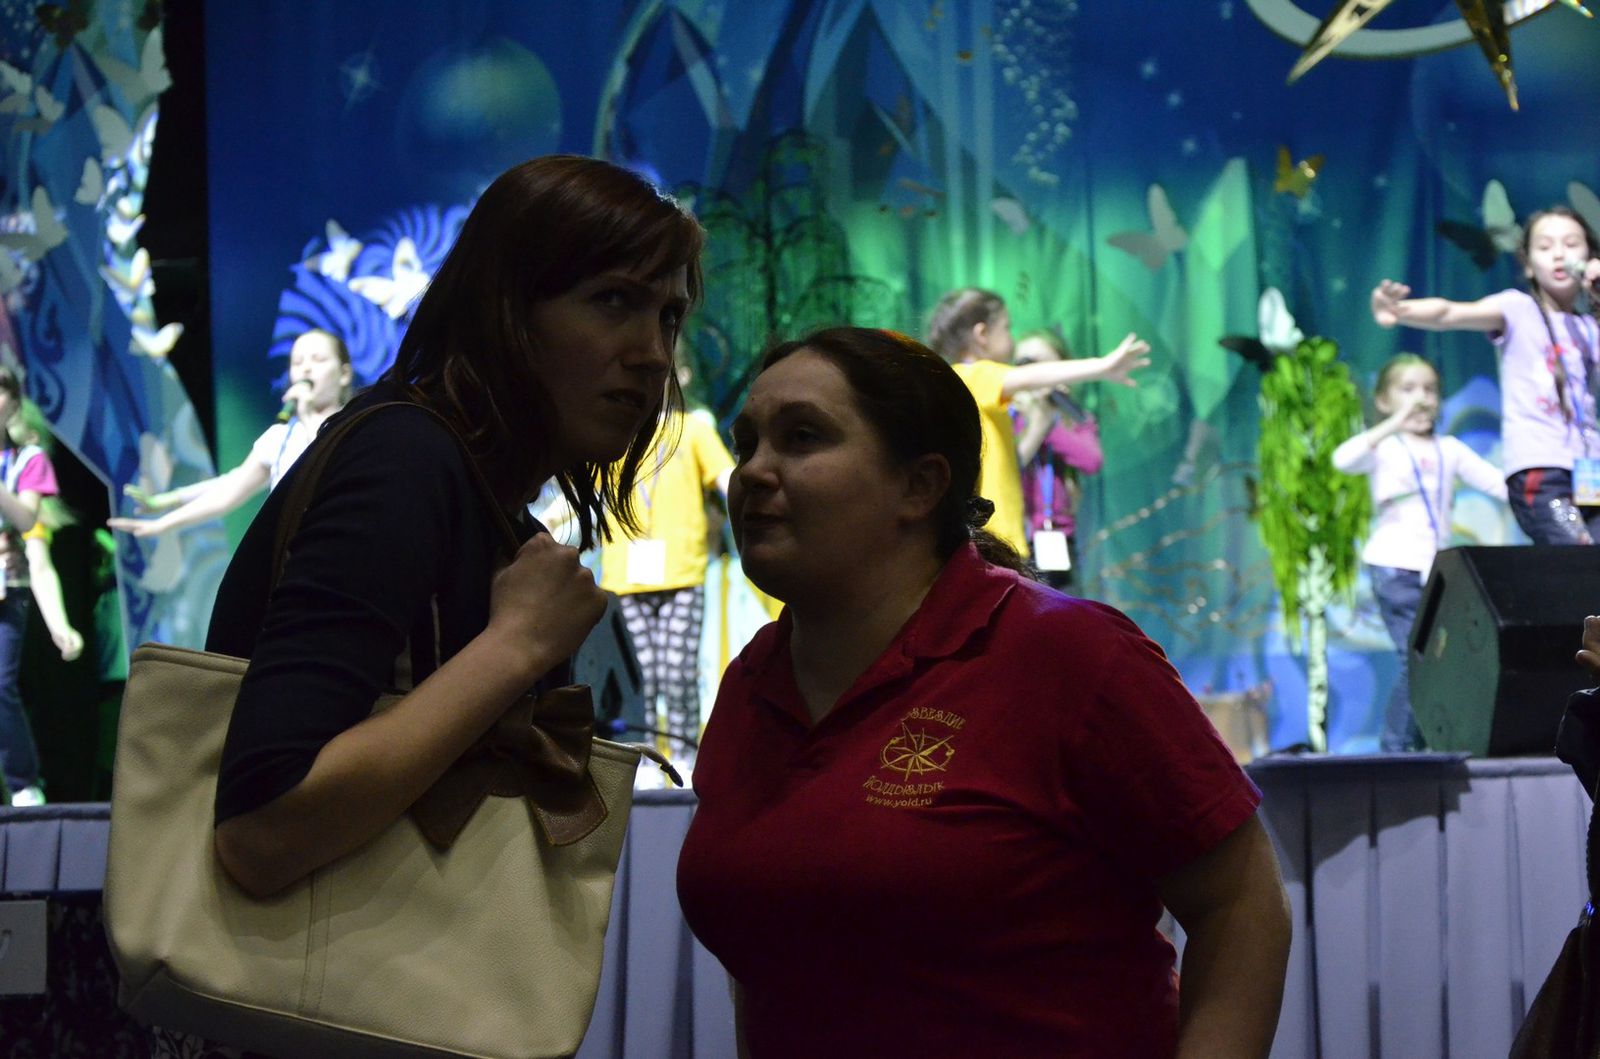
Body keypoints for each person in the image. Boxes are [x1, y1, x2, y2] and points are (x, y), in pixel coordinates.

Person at [677, 327, 1291, 1057]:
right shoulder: (751, 683)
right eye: (747, 443)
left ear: (920, 485)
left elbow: (1242, 904)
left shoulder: (1067, 654)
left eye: (802, 436)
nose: (753, 470)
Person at [203, 155, 702, 911]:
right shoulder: (406, 457)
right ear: (505, 310)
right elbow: (260, 831)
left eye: (666, 317)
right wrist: (517, 645)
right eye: (612, 301)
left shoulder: (476, 494)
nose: (652, 354)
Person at [1371, 206, 1600, 544]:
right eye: (1545, 246)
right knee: (1577, 555)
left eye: (1571, 244)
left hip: (1590, 471)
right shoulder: (1517, 309)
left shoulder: (1589, 327)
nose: (1559, 255)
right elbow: (1450, 313)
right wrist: (1399, 310)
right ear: (1527, 264)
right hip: (1541, 469)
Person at [1332, 354, 1507, 752]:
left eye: (1429, 390)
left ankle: (1419, 745)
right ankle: (1396, 750)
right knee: (1416, 660)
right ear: (1383, 400)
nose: (1420, 398)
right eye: (1407, 389)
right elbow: (1343, 460)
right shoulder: (1384, 447)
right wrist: (1393, 422)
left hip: (1437, 572)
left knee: (1437, 661)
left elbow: (1498, 485)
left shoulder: (1449, 448)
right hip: (1395, 567)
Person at [925, 288, 1148, 555]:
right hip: (993, 540)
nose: (1011, 338)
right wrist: (1103, 366)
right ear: (982, 334)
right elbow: (1027, 378)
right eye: (1006, 328)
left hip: (999, 540)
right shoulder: (972, 375)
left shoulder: (974, 386)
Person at [597, 383, 734, 778]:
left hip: (681, 573)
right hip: (625, 577)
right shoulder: (616, 432)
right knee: (639, 678)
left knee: (678, 672)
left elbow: (725, 477)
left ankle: (684, 754)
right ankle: (640, 759)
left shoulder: (692, 430)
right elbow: (583, 488)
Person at [108, 329, 353, 538]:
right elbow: (229, 489)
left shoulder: (357, 429)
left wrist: (309, 416)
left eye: (318, 360)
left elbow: (329, 471)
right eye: (297, 362)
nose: (306, 369)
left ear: (344, 374)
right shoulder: (281, 437)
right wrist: (163, 510)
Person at [0, 372, 83, 806]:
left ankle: (23, 783)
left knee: (0, 685)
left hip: (6, 593)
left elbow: (37, 555)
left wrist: (59, 625)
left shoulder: (25, 465)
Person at [1011, 328, 1104, 587]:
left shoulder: (1074, 418)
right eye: (1023, 364)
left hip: (1057, 537)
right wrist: (1035, 423)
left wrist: (1050, 417)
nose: (1032, 374)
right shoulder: (1008, 416)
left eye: (1040, 364)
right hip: (1012, 536)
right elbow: (1008, 468)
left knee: (1062, 607)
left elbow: (1091, 461)